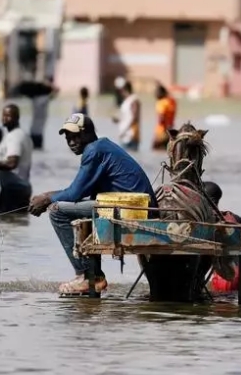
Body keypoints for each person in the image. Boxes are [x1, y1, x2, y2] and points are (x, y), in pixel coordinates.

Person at [28, 113, 158, 295]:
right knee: (80, 208)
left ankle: (87, 275)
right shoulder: (101, 147)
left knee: (57, 211)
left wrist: (47, 197)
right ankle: (93, 275)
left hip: (132, 209)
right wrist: (52, 196)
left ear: (88, 133)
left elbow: (74, 193)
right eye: (68, 138)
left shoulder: (94, 151)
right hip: (133, 206)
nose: (72, 142)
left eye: (75, 136)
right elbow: (84, 192)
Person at [28, 80, 58, 151]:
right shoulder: (43, 99)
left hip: (33, 130)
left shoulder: (34, 99)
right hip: (38, 132)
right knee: (39, 150)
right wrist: (50, 85)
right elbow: (55, 92)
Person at [112, 81, 141, 151]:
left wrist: (124, 130)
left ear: (124, 89)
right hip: (124, 136)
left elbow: (134, 118)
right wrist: (119, 120)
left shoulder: (134, 100)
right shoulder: (126, 101)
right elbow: (127, 117)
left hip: (131, 135)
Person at [153, 84, 177, 150]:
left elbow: (161, 118)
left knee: (157, 151)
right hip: (170, 130)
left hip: (161, 131)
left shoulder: (161, 102)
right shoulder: (172, 101)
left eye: (156, 92)